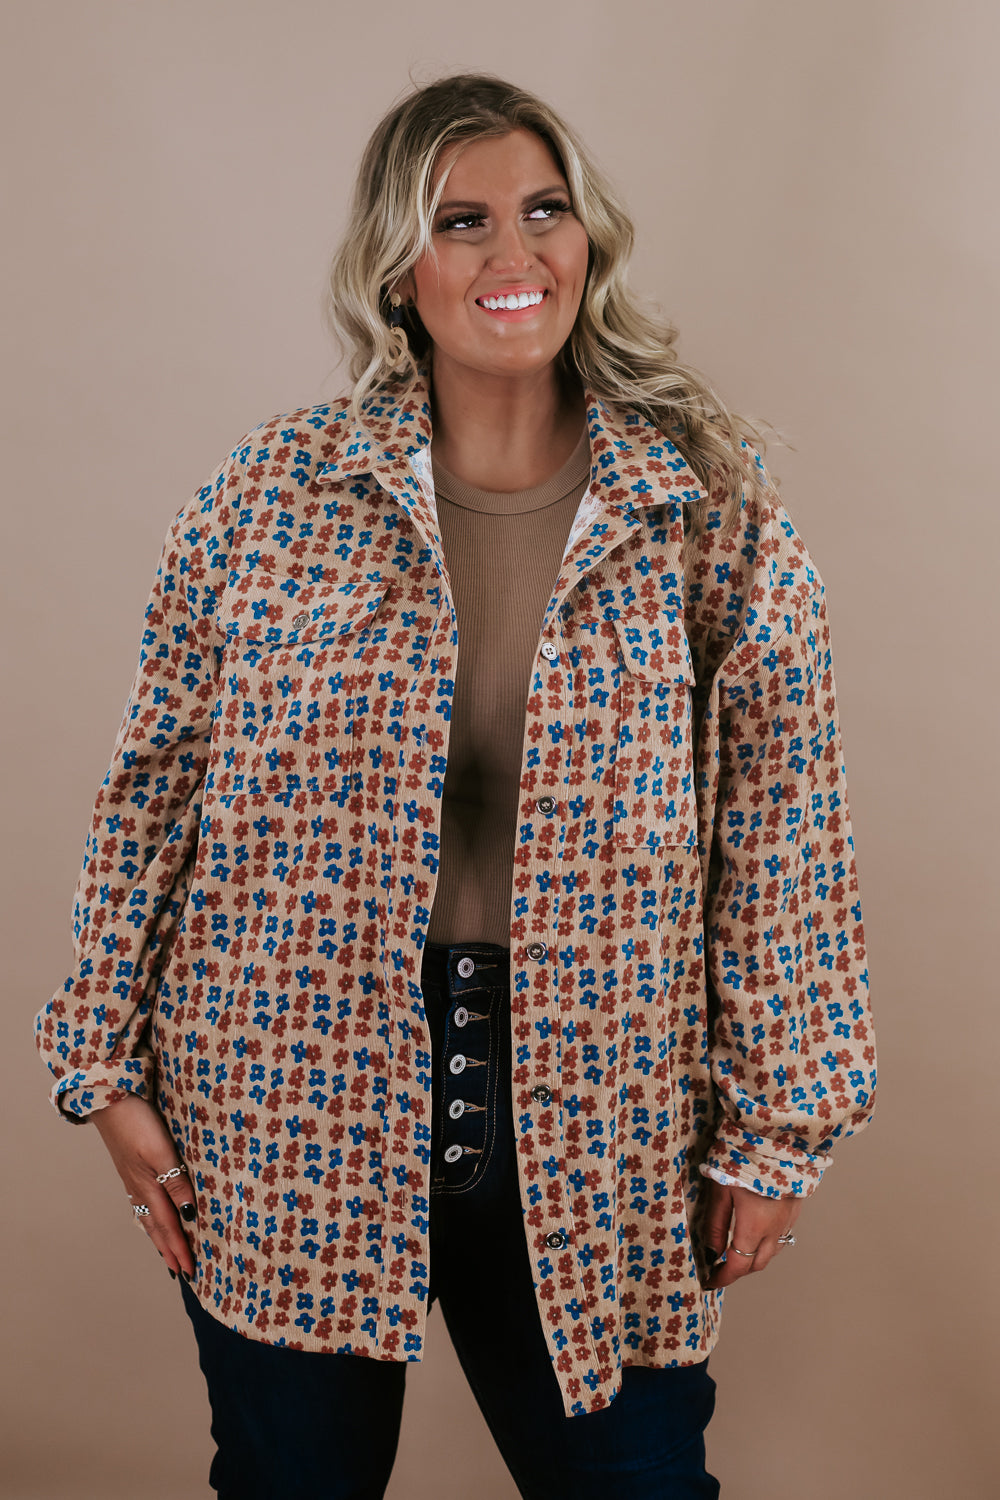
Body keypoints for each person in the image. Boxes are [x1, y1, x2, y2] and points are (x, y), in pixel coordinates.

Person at [35, 73, 875, 1500]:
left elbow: (786, 827)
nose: (514, 253)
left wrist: (777, 1127)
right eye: (462, 220)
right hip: (287, 1093)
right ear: (396, 267)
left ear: (589, 239)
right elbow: (155, 791)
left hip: (598, 1103)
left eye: (545, 210)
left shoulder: (701, 512)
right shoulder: (268, 499)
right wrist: (103, 1070)